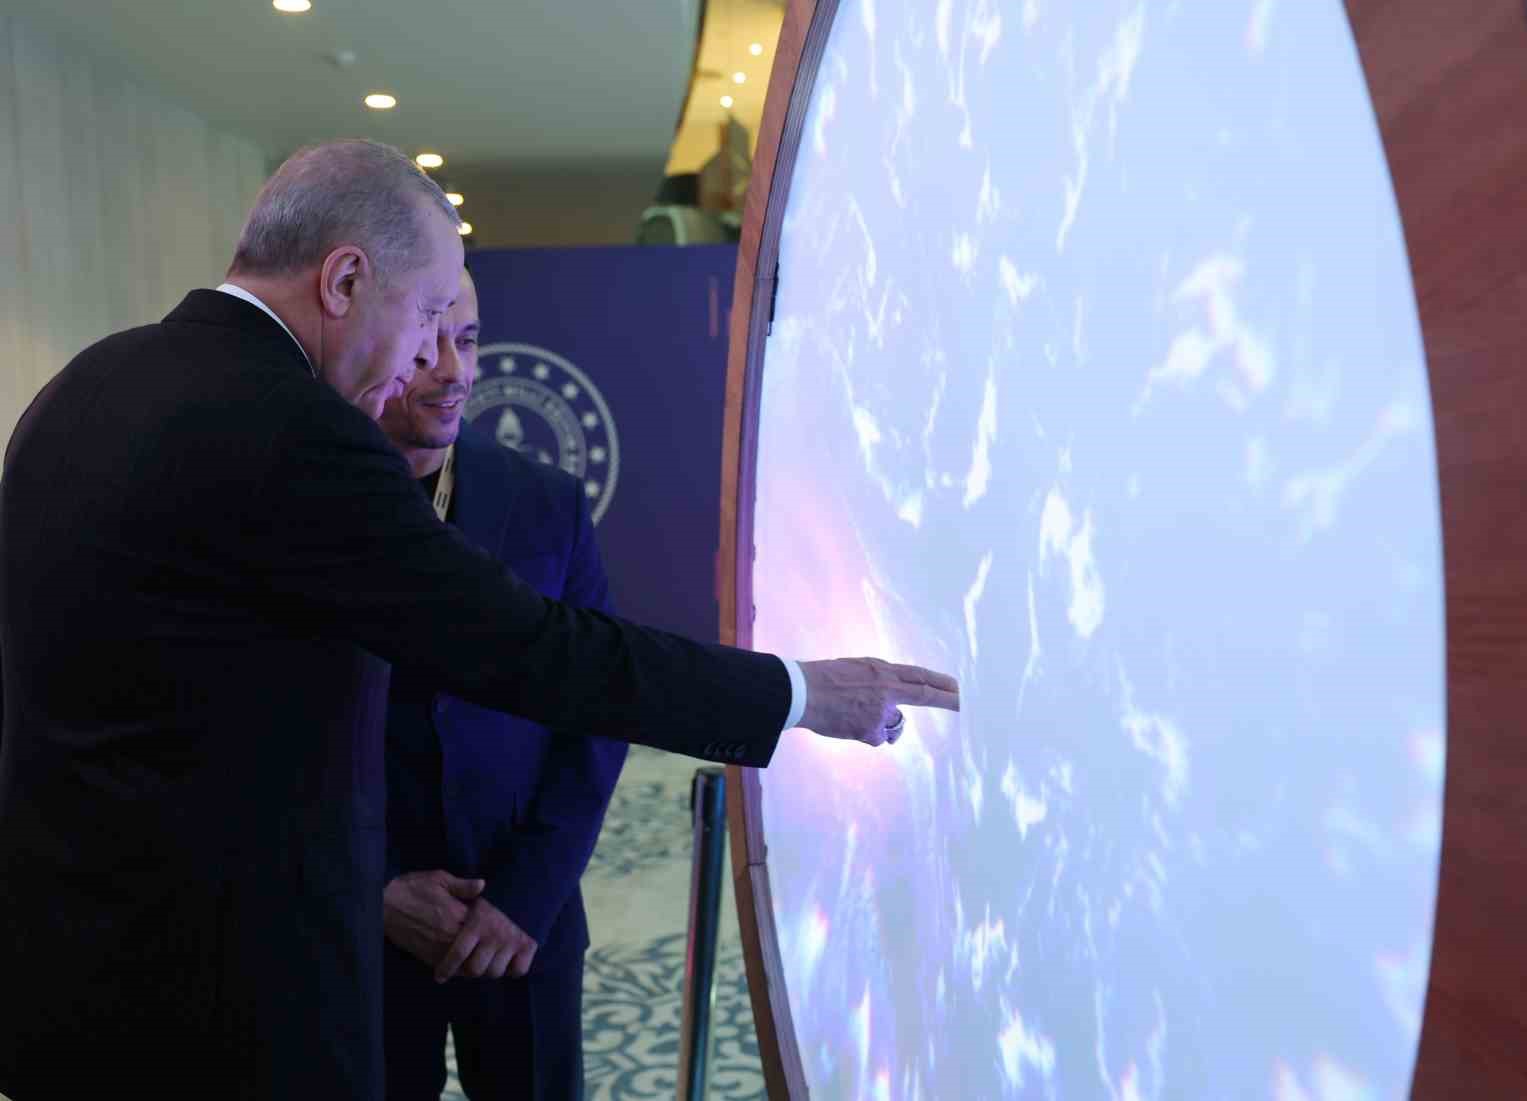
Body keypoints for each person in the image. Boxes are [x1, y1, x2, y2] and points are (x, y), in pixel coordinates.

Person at [0, 139, 958, 1099]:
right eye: (425, 316)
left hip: (66, 999)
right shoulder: (294, 431)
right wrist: (797, 693)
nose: (430, 356)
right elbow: (531, 649)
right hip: (226, 1019)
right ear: (343, 280)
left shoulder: (83, 387)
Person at [376, 269, 621, 1100]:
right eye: (426, 345)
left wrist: (525, 895)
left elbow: (597, 712)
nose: (453, 369)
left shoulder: (550, 503)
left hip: (523, 922)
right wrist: (374, 888)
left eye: (470, 340)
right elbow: (266, 732)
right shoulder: (301, 501)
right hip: (360, 927)